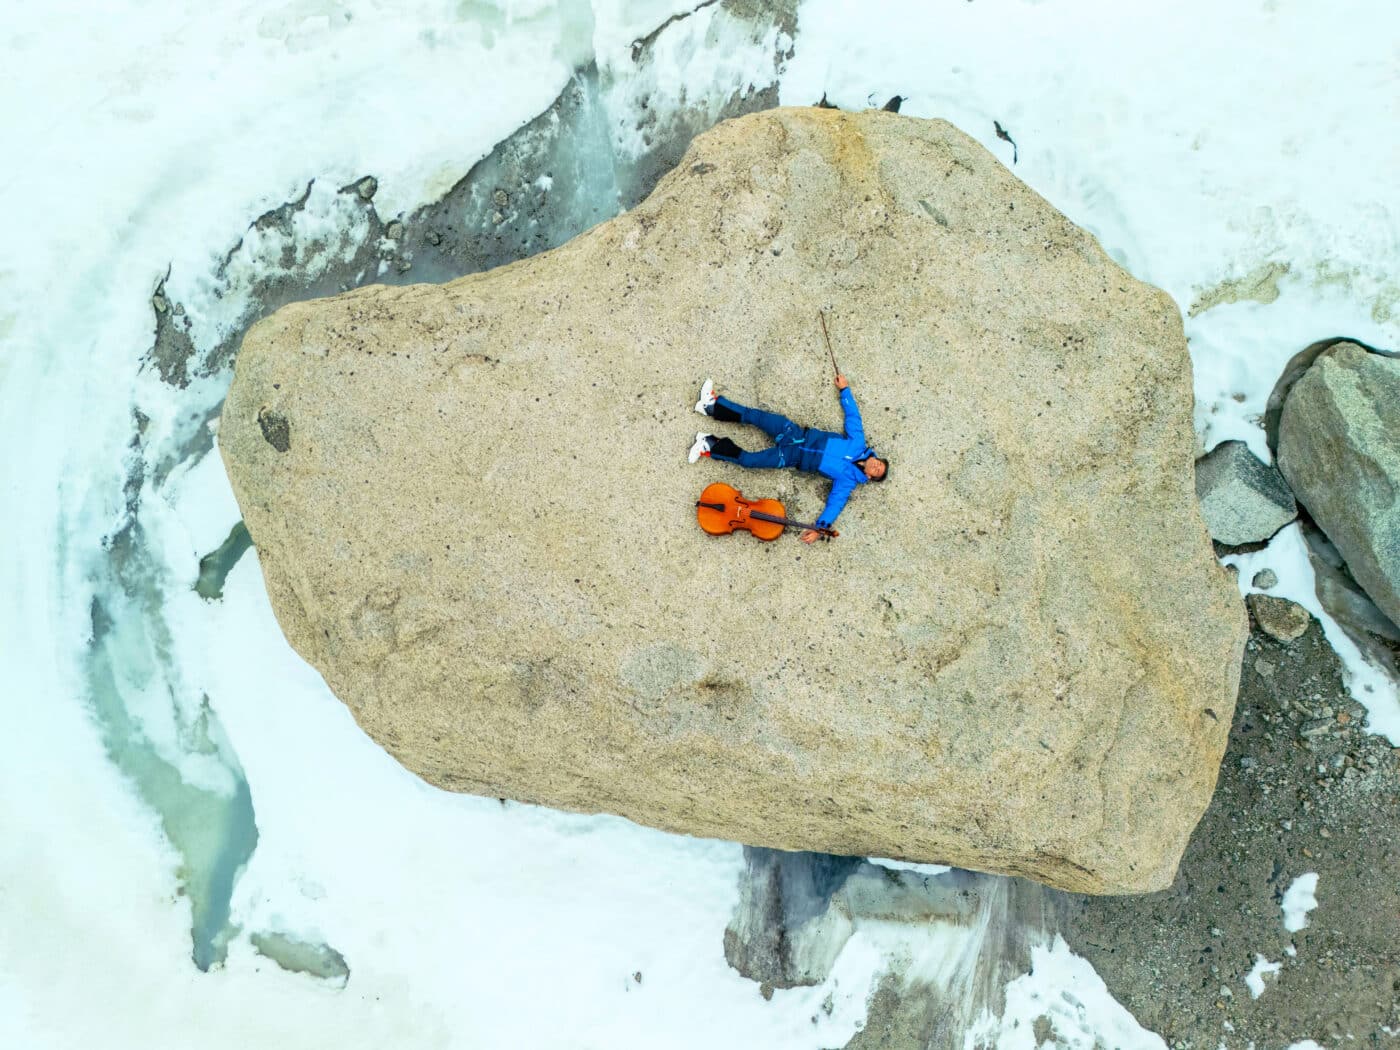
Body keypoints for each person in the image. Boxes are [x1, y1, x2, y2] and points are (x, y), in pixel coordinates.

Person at [689, 376, 888, 543]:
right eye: (880, 462)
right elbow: (854, 417)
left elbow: (835, 504)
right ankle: (711, 405)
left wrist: (820, 529)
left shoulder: (848, 481)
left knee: (749, 461)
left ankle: (709, 444)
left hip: (792, 457)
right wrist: (845, 390)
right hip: (795, 433)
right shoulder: (858, 443)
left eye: (878, 471)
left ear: (870, 477)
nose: (878, 465)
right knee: (754, 416)